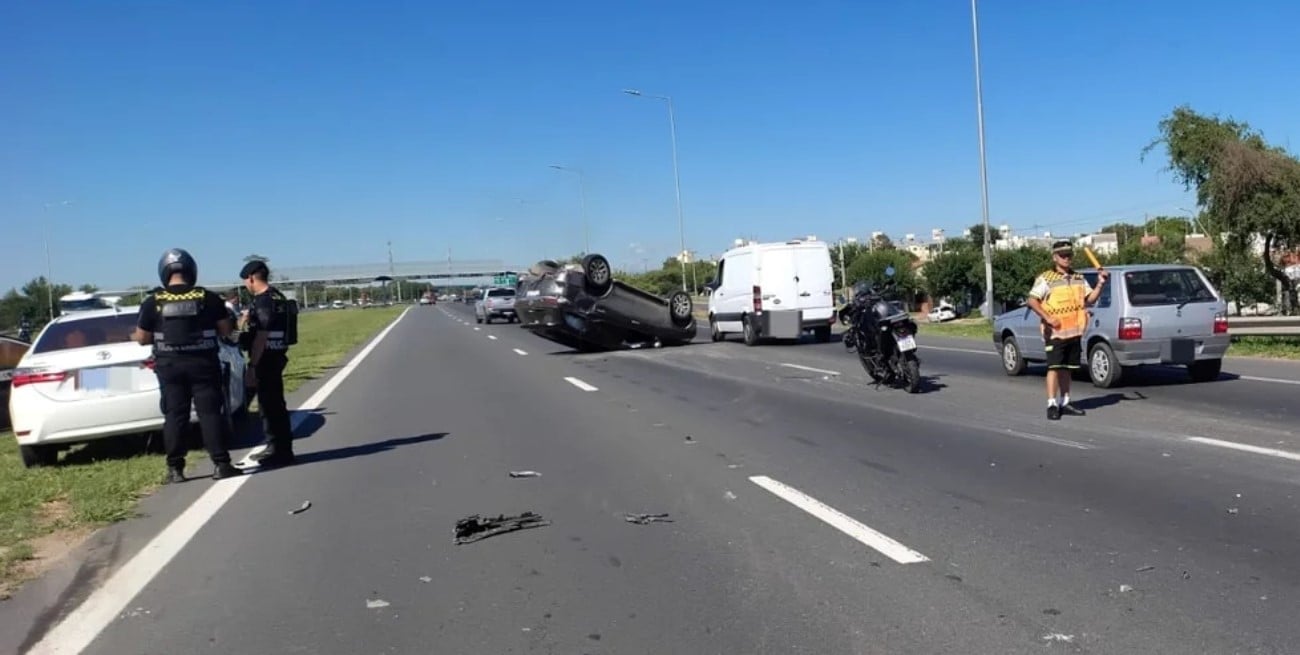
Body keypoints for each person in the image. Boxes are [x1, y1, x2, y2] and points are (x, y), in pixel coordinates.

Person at [133, 248, 242, 482]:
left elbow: (142, 338)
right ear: (192, 270)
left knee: (175, 415)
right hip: (203, 363)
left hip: (169, 366)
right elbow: (226, 330)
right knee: (210, 413)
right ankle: (221, 464)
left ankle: (175, 469)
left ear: (164, 271)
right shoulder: (208, 298)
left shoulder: (153, 301)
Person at [1025, 240, 1109, 420]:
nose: (1067, 258)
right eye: (1063, 255)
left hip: (1074, 331)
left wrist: (1101, 284)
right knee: (1054, 367)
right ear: (1055, 257)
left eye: (1069, 255)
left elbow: (1090, 300)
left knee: (1067, 369)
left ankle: (1066, 401)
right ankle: (1052, 404)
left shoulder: (1078, 278)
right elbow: (1032, 300)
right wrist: (1047, 318)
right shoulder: (1046, 279)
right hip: (1054, 333)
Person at [239, 259, 298, 468]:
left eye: (246, 280)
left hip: (265, 358)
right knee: (275, 405)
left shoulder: (263, 301)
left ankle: (279, 450)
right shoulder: (278, 297)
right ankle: (279, 447)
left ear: (252, 277)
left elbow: (261, 336)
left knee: (269, 406)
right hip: (278, 354)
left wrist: (253, 366)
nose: (246, 285)